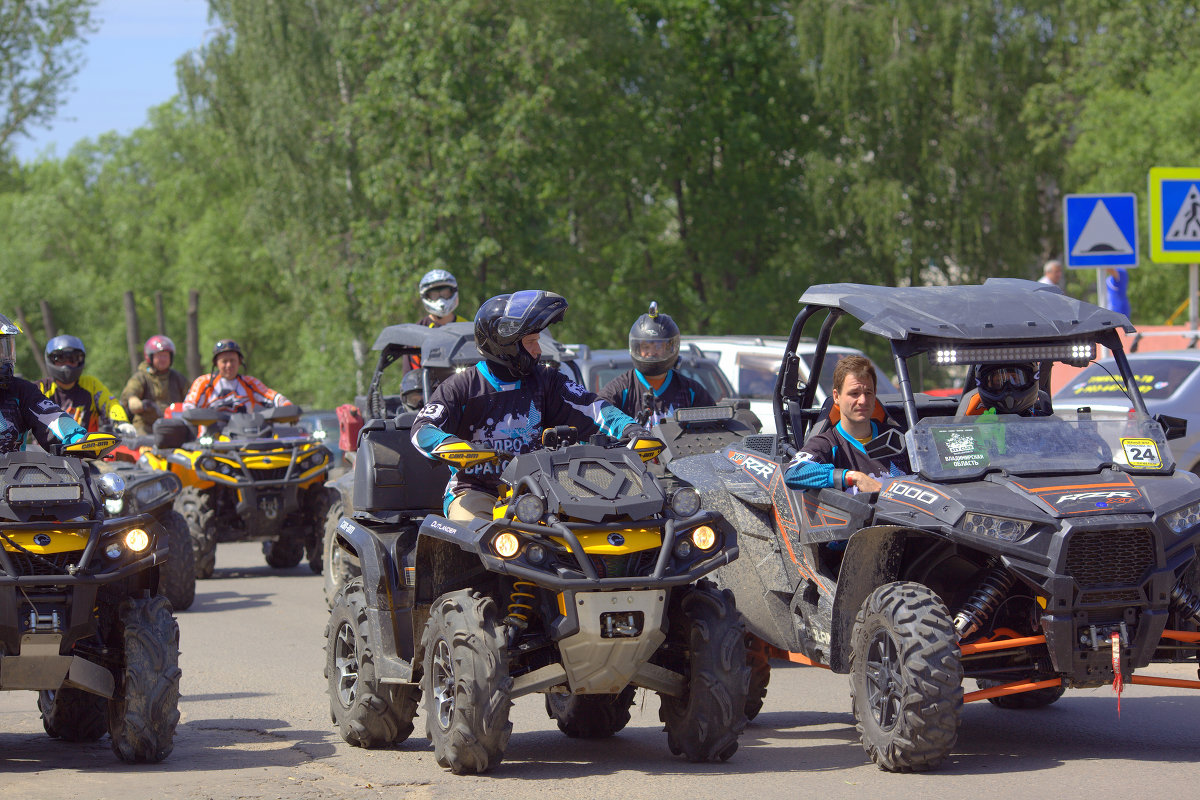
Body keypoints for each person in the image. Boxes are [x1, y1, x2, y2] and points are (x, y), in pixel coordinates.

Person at [411, 290, 646, 522]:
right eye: (531, 342)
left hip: (543, 490)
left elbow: (592, 407)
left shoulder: (547, 380)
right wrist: (449, 444)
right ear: (506, 344)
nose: (539, 350)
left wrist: (630, 428)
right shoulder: (461, 386)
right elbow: (422, 429)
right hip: (475, 491)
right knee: (471, 537)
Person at [784, 355, 908, 494]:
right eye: (854, 393)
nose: (863, 400)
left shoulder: (899, 438)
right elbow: (793, 473)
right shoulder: (827, 443)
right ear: (837, 396)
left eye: (868, 392)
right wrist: (853, 477)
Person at [599, 301, 714, 426]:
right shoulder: (618, 390)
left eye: (658, 346)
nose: (651, 352)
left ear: (670, 348)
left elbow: (714, 431)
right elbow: (596, 421)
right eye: (646, 347)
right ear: (636, 348)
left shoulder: (691, 391)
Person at [0, 315, 88, 453]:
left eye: (4, 349)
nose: (4, 358)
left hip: (12, 473)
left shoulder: (21, 391)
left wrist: (77, 437)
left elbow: (51, 417)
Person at [38, 335, 136, 436]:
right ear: (51, 360)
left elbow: (110, 404)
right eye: (60, 358)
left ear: (80, 361)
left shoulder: (91, 385)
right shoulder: (41, 388)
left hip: (87, 448)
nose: (67, 364)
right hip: (43, 450)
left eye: (73, 358)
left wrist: (121, 421)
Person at [183, 339, 289, 412]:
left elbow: (273, 397)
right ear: (216, 364)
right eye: (224, 361)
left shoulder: (250, 383)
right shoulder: (204, 382)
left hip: (245, 436)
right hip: (211, 439)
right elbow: (188, 407)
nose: (229, 365)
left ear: (239, 361)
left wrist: (287, 406)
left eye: (232, 361)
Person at [121, 334, 189, 435]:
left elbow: (192, 397)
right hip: (146, 427)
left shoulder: (177, 377)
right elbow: (130, 396)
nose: (163, 359)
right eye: (159, 356)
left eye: (165, 356)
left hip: (174, 426)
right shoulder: (141, 377)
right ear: (150, 357)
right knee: (142, 445)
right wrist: (137, 403)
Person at [407, 269, 471, 372]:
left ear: (452, 292)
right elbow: (411, 375)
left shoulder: (466, 327)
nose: (441, 300)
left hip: (464, 385)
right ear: (427, 296)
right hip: (429, 386)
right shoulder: (416, 332)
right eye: (435, 295)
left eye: (444, 293)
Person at [957, 362, 1051, 417]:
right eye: (998, 381)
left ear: (1031, 380)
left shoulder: (1046, 424)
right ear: (985, 384)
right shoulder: (975, 422)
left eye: (1015, 380)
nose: (1008, 389)